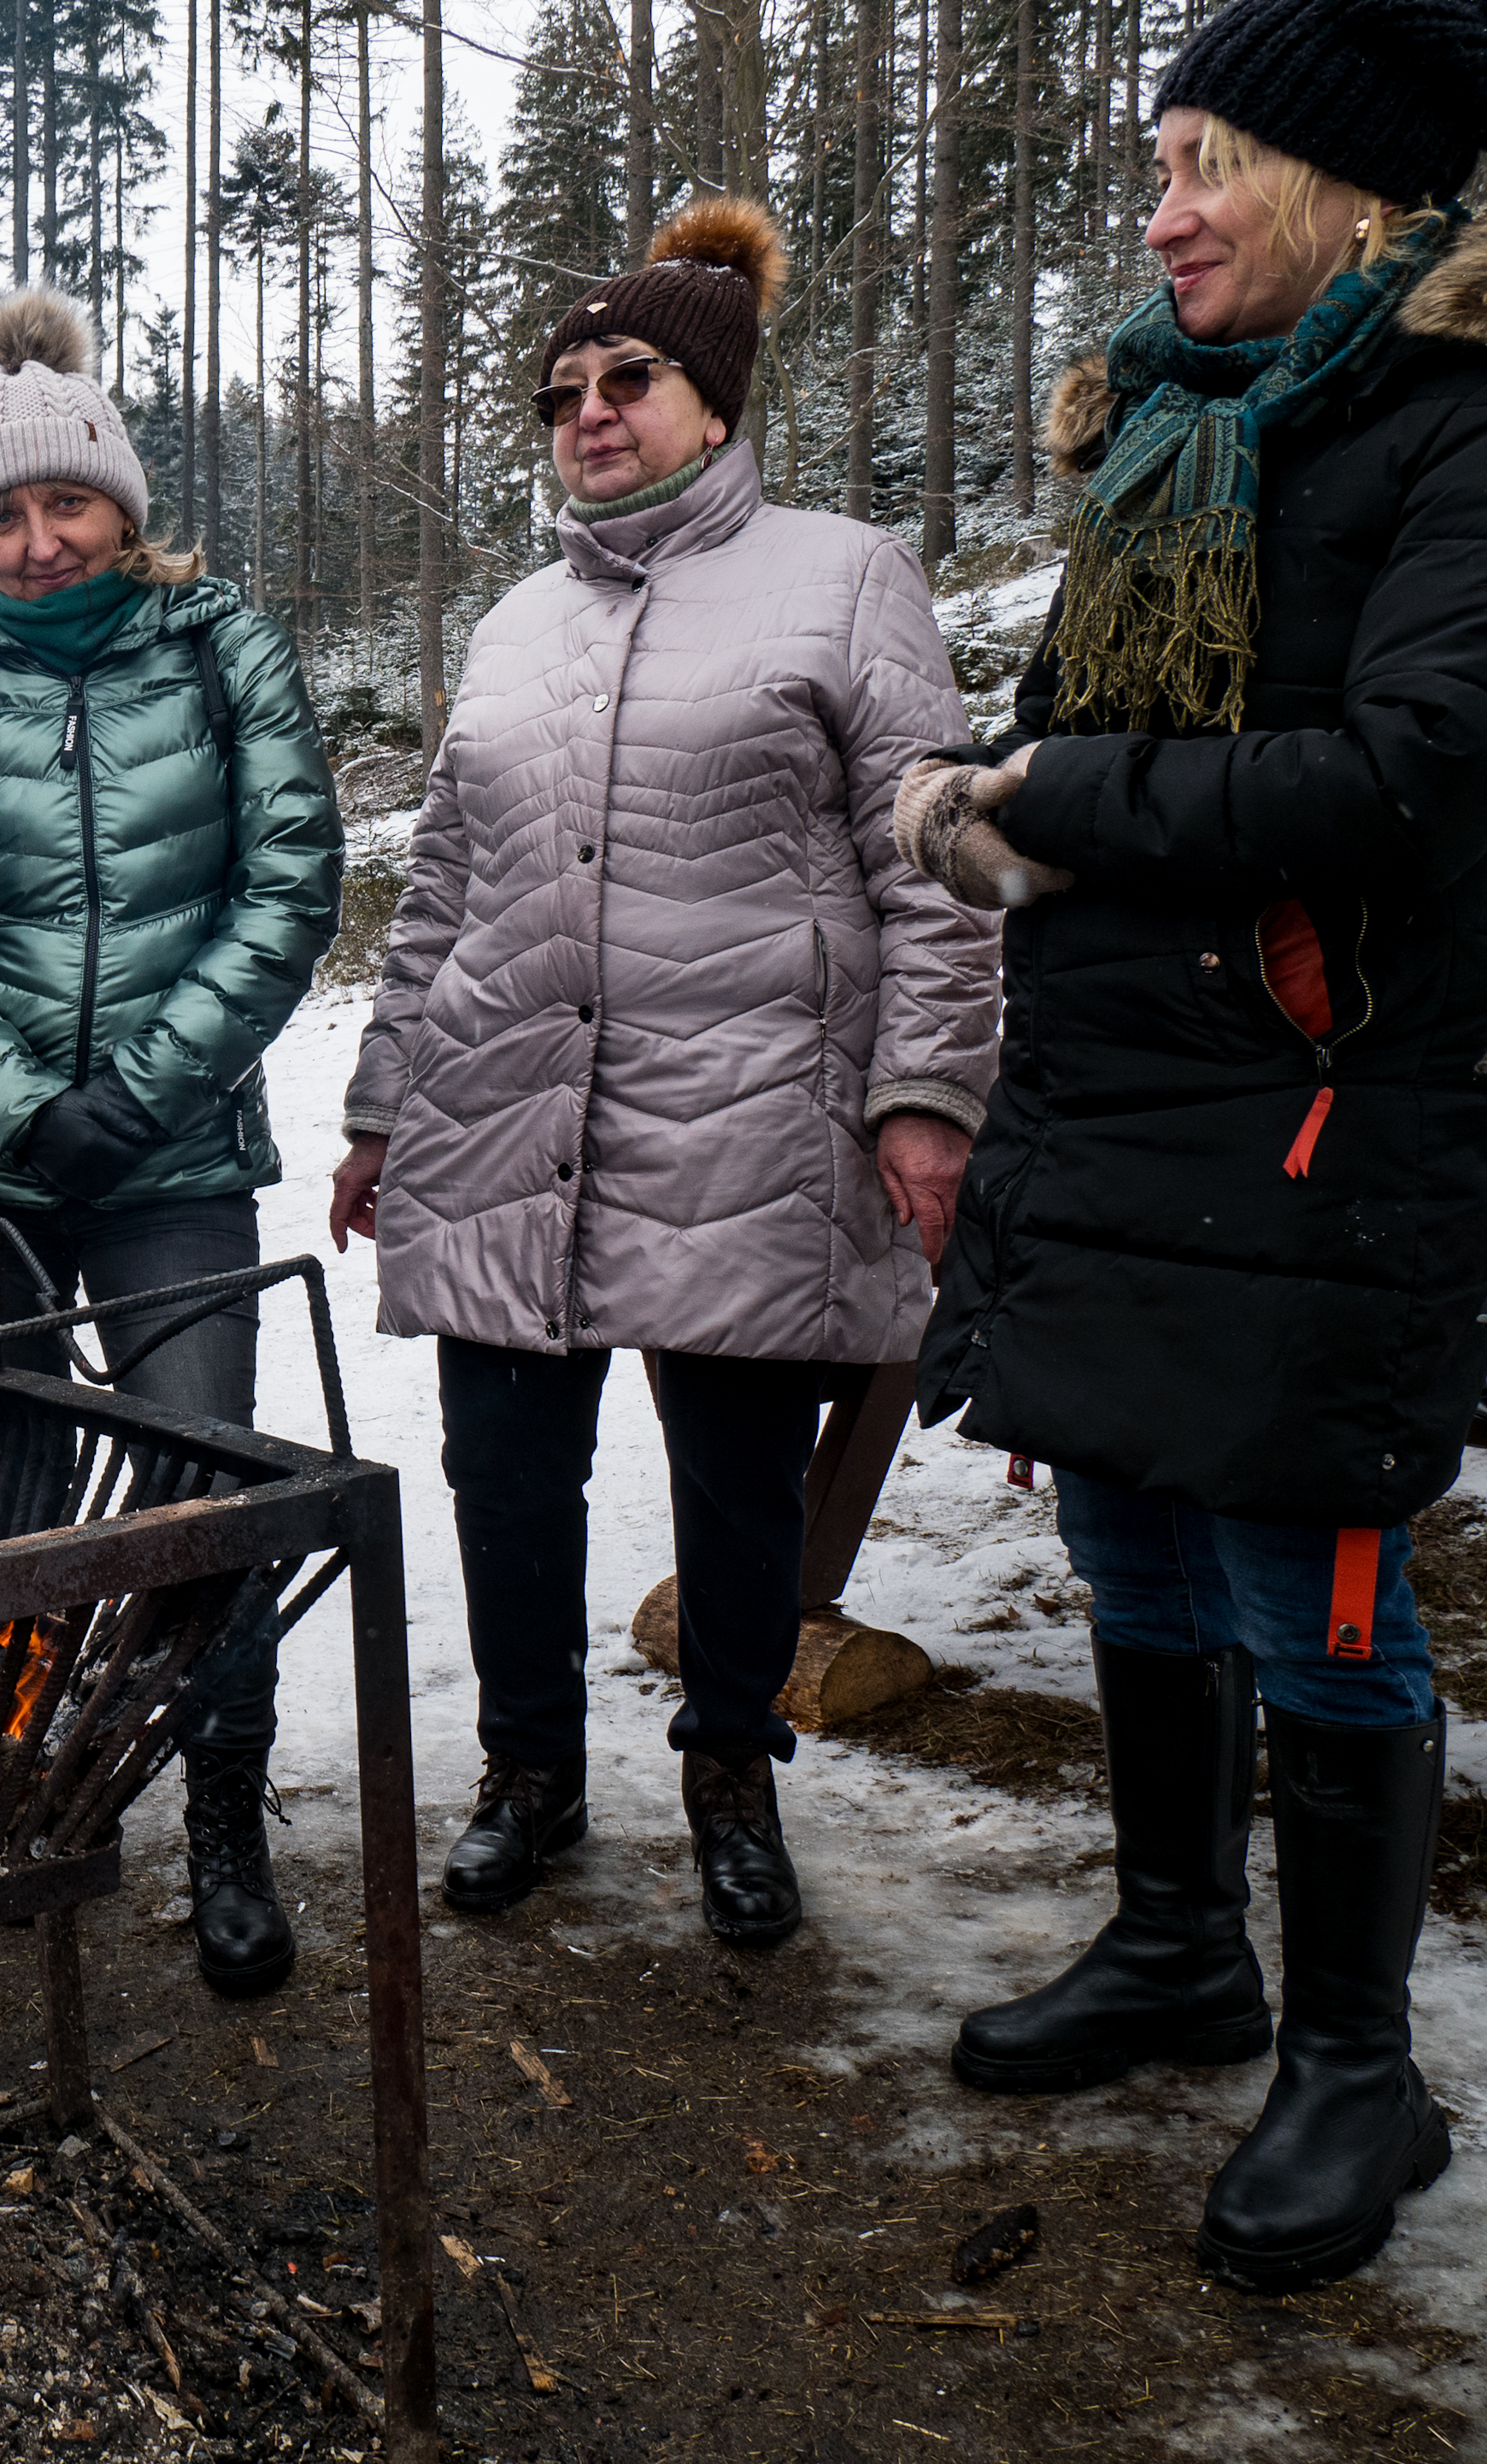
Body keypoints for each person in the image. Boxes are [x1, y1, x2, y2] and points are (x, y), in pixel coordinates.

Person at [902, 0, 1487, 2291]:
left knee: (1308, 1593)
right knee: (1137, 1544)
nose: (1154, 216)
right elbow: (1106, 735)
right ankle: (1179, 1943)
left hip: (1329, 1121)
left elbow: (1403, 767)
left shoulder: (1450, 426)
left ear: (1343, 187)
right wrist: (998, 788)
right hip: (1121, 1094)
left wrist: (1040, 808)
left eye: (1198, 165)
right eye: (1151, 168)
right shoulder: (1169, 431)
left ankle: (1361, 2062)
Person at [331, 200, 991, 1951]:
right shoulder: (512, 626)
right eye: (562, 394)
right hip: (501, 1108)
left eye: (630, 380)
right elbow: (448, 894)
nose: (592, 415)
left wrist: (926, 1085)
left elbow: (929, 861)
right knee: (506, 1470)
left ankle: (732, 1777)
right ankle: (529, 1773)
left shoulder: (846, 575)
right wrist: (385, 1098)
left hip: (751, 1112)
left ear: (714, 400)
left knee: (735, 1481)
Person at [0, 291, 343, 2001]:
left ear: (123, 511)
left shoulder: (222, 651)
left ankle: (220, 1813)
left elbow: (287, 887)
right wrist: (17, 1100)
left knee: (201, 1478)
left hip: (173, 1158)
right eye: (3, 514)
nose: (40, 538)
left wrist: (137, 1091)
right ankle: (47, 1790)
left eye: (66, 505)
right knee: (22, 1485)